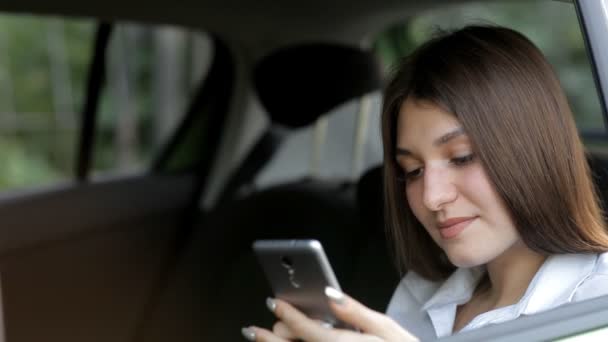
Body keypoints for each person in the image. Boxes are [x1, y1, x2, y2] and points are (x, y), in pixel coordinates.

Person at [240, 25, 608, 342]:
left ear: (535, 149)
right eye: (412, 171)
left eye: (462, 157)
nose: (431, 197)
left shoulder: (597, 299)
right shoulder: (422, 295)